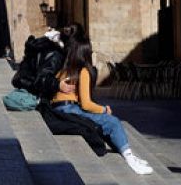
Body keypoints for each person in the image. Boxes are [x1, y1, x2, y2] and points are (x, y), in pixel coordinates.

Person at [50, 34, 153, 175]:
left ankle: (128, 153)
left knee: (105, 122)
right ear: (85, 52)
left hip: (58, 109)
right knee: (113, 122)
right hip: (70, 109)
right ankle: (130, 159)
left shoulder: (63, 70)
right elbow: (86, 104)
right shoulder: (83, 71)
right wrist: (104, 109)